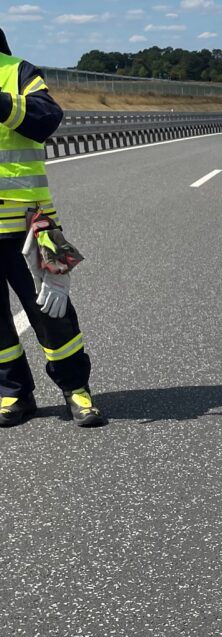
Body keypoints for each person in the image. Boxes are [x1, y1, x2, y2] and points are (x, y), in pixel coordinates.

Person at [0, 28, 104, 427]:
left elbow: (47, 118)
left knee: (51, 315)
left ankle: (76, 390)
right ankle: (14, 395)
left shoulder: (17, 72)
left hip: (28, 227)